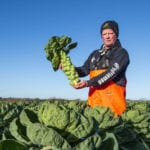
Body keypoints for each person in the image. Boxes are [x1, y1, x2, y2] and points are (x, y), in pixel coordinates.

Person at [73, 20, 130, 116]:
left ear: (116, 35)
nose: (107, 36)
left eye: (110, 33)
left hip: (113, 105)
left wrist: (87, 83)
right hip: (94, 102)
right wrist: (68, 68)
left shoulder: (121, 53)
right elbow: (84, 70)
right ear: (101, 36)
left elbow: (111, 73)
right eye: (104, 34)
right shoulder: (95, 54)